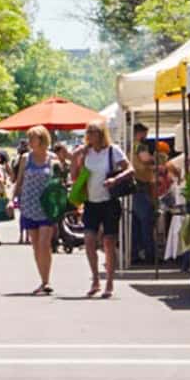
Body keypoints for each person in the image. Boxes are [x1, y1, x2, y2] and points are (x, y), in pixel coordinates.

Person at [77, 122, 130, 299]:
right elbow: (76, 176)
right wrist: (76, 158)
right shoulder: (86, 152)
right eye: (88, 132)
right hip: (91, 202)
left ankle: (109, 282)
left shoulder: (112, 150)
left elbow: (130, 169)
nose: (89, 135)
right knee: (89, 240)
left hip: (109, 202)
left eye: (93, 132)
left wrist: (116, 180)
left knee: (108, 242)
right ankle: (95, 279)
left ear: (101, 134)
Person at [16, 126, 61, 294]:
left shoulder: (52, 158)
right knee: (36, 245)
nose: (29, 141)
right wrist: (12, 201)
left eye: (32, 138)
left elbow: (59, 181)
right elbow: (19, 181)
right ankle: (43, 280)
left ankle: (47, 281)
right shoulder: (25, 158)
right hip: (29, 205)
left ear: (42, 139)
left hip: (46, 206)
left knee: (44, 243)